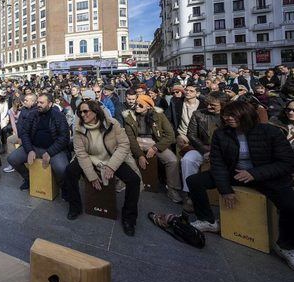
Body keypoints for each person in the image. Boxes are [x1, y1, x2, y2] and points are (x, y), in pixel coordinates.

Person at [185, 101, 294, 269]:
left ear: (246, 115)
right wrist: (225, 190)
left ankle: (286, 246)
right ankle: (206, 219)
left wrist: (254, 173)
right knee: (195, 181)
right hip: (234, 173)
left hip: (265, 176)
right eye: (226, 115)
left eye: (232, 115)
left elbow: (286, 162)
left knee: (289, 204)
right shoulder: (221, 134)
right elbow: (218, 163)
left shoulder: (270, 132)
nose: (228, 118)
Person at [65, 99, 141, 235]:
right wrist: (92, 176)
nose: (82, 114)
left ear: (95, 111)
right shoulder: (78, 129)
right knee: (70, 171)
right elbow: (81, 153)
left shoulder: (112, 124)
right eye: (80, 112)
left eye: (85, 111)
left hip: (111, 157)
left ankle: (129, 218)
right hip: (89, 157)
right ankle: (74, 207)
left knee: (134, 180)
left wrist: (111, 167)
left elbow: (124, 145)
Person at [123, 94, 183, 203]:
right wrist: (140, 155)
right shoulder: (129, 116)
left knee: (172, 160)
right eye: (136, 104)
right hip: (136, 142)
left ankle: (172, 189)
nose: (136, 106)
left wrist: (156, 148)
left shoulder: (159, 115)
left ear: (148, 106)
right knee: (124, 156)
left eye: (140, 105)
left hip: (154, 142)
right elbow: (130, 139)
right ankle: (132, 184)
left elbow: (170, 135)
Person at [7, 93, 71, 191]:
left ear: (50, 104)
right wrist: (29, 150)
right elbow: (25, 133)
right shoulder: (32, 114)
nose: (38, 105)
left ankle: (62, 186)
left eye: (42, 103)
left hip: (54, 150)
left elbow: (64, 138)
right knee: (12, 159)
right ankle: (29, 179)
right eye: (38, 102)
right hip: (34, 147)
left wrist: (50, 152)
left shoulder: (59, 116)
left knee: (62, 169)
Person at [180, 91, 229, 212]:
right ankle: (190, 195)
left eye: (213, 105)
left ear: (223, 104)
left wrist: (216, 151)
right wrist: (204, 149)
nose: (208, 107)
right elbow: (191, 135)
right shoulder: (198, 114)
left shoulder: (229, 116)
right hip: (202, 147)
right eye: (207, 104)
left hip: (223, 150)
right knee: (187, 160)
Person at [4, 93, 37, 173]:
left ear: (33, 101)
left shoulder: (36, 111)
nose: (24, 102)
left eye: (26, 100)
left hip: (32, 139)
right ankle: (13, 165)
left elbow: (32, 129)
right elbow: (19, 124)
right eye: (24, 100)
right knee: (10, 139)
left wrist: (23, 138)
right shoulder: (24, 109)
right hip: (22, 135)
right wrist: (19, 136)